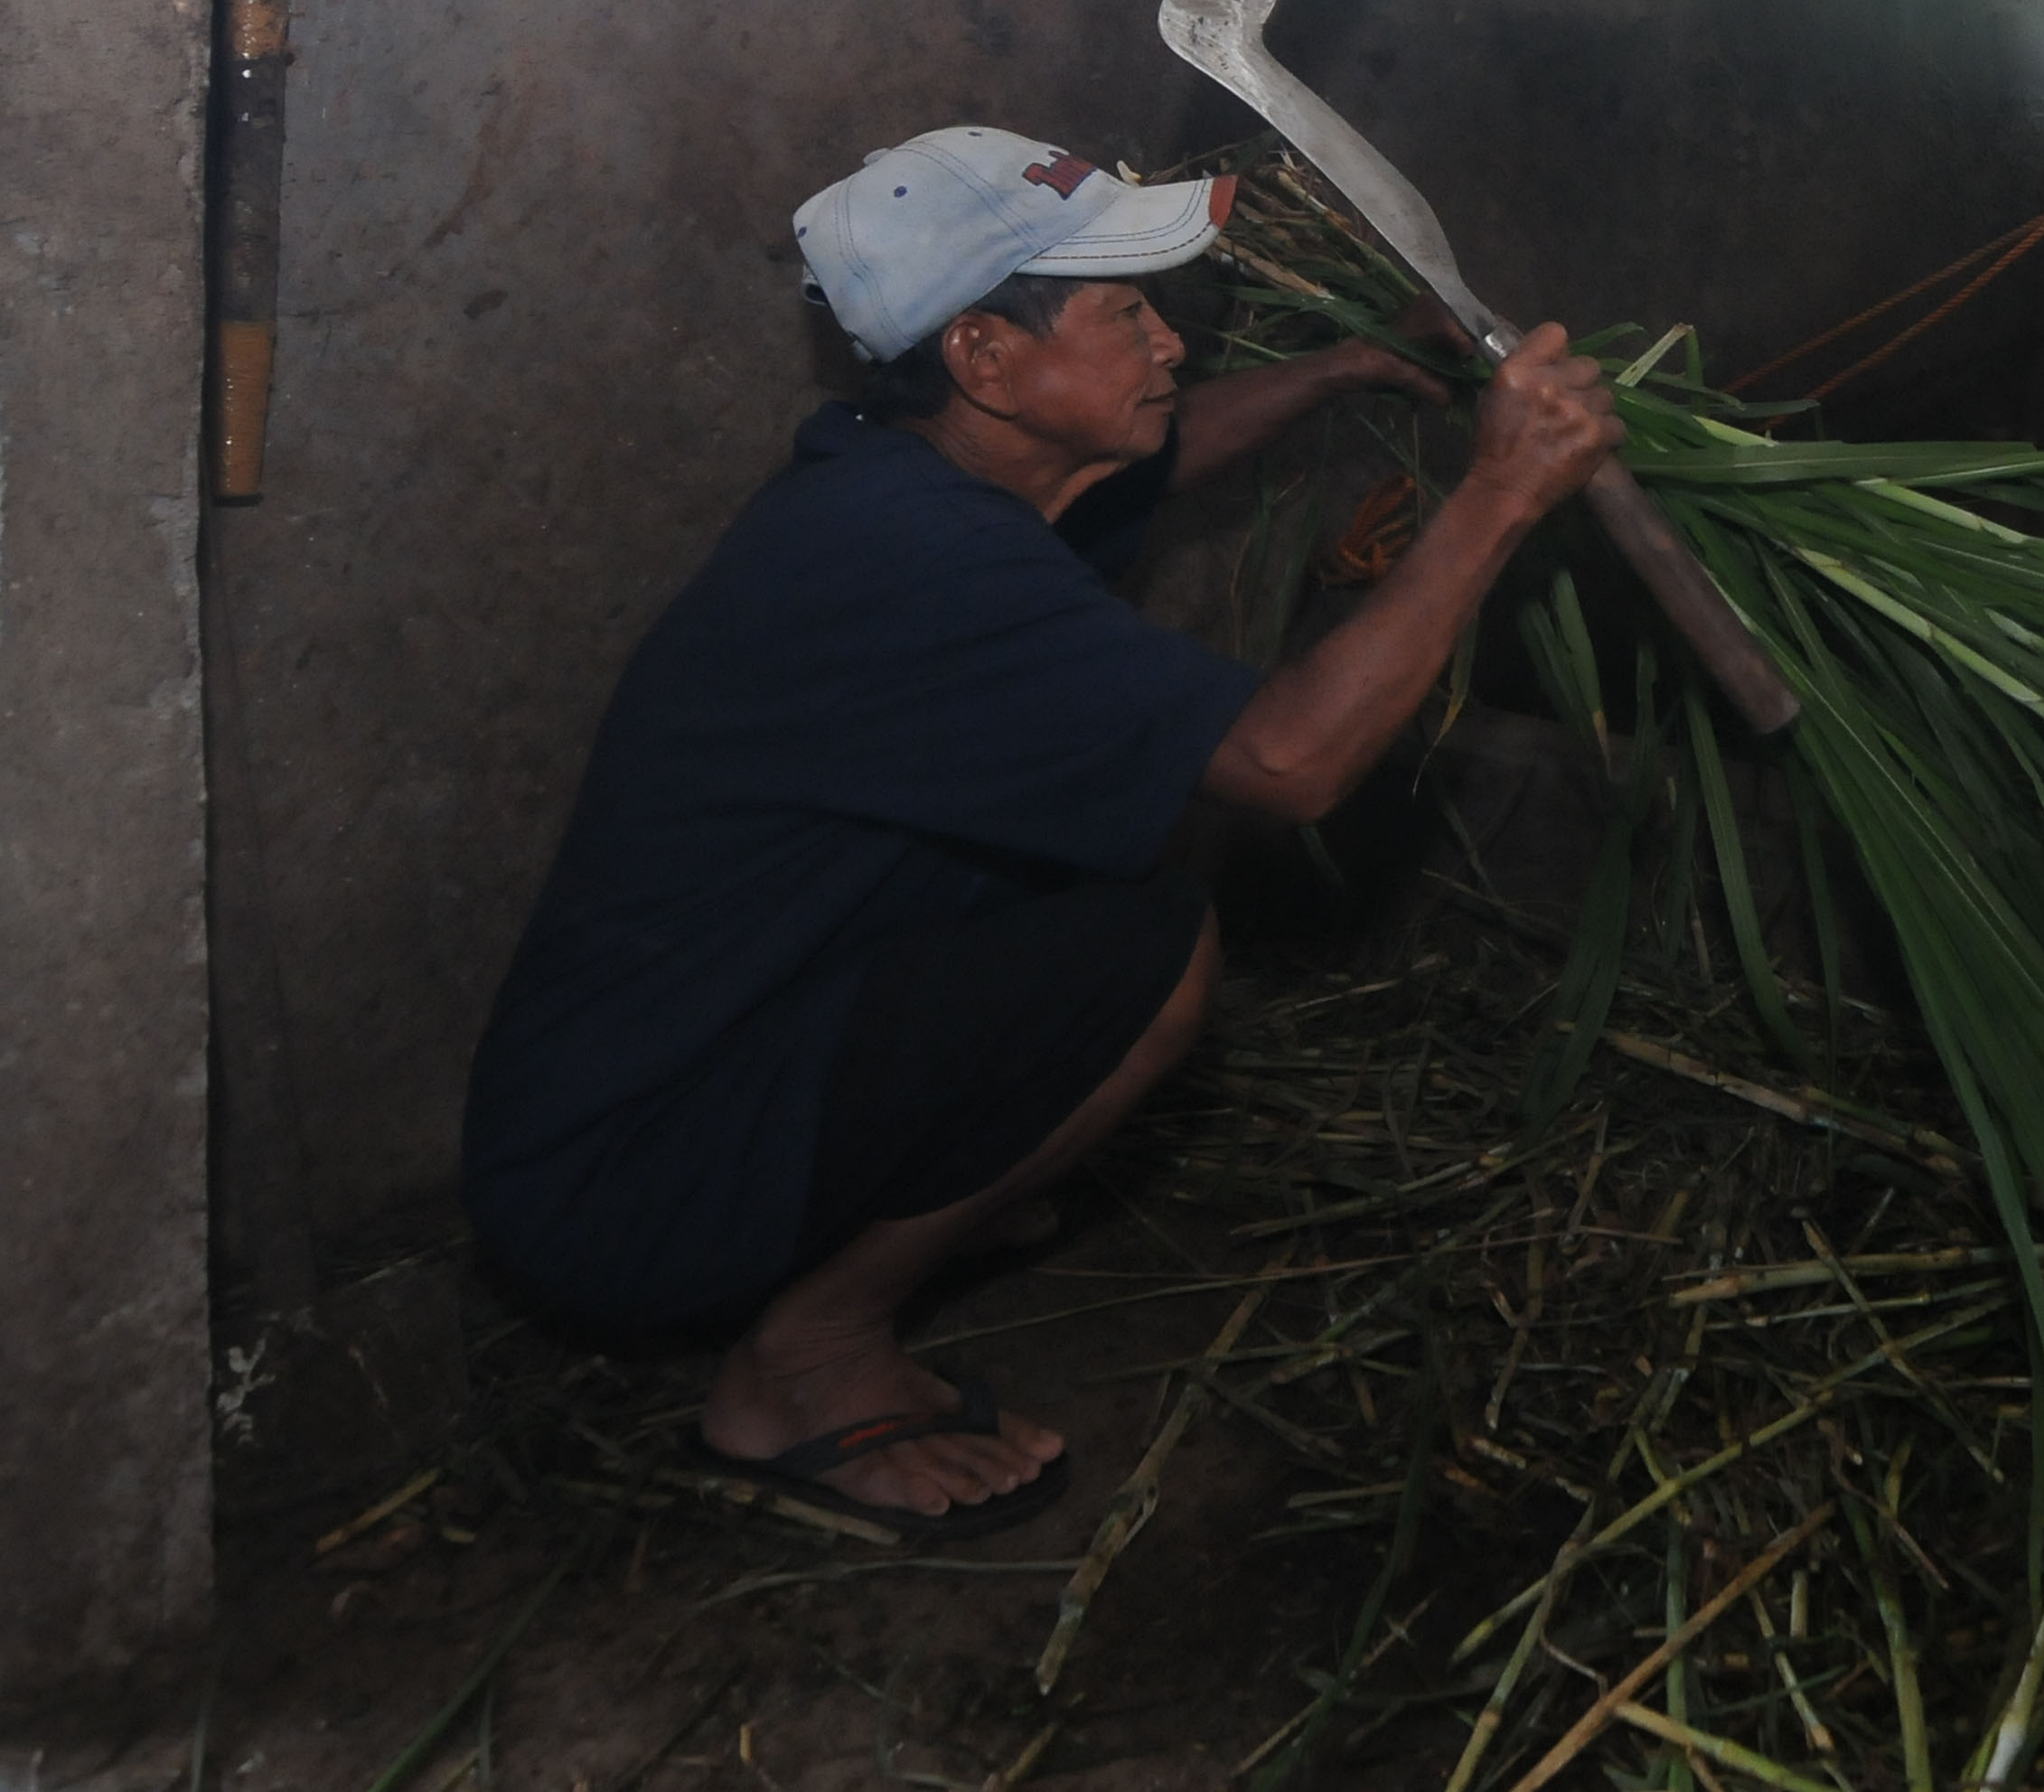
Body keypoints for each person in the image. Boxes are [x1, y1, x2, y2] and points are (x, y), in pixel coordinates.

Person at [462, 125, 1620, 1538]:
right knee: (1152, 953)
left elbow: (1147, 468)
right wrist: (1500, 495)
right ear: (985, 359)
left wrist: (1351, 365)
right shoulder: (919, 566)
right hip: (620, 1181)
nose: (1169, 344)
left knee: (1087, 848)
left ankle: (912, 1182)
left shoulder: (898, 480)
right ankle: (802, 1363)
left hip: (689, 1060)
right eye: (1126, 314)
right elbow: (1293, 761)